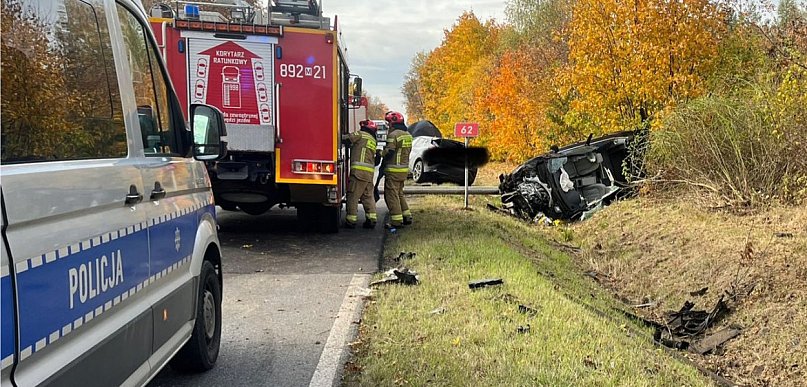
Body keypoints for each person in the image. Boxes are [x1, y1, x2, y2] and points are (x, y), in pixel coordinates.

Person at [343, 120, 379, 229]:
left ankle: (351, 220)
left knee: (353, 195)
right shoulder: (373, 140)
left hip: (358, 172)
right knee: (368, 197)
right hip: (369, 174)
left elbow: (347, 139)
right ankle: (372, 219)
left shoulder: (360, 134)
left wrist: (339, 135)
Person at [381, 111, 413, 228]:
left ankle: (396, 221)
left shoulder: (393, 135)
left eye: (389, 123)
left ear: (393, 123)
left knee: (391, 196)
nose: (388, 125)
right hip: (403, 170)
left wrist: (380, 153)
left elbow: (389, 152)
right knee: (399, 194)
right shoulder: (407, 135)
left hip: (393, 171)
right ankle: (407, 216)